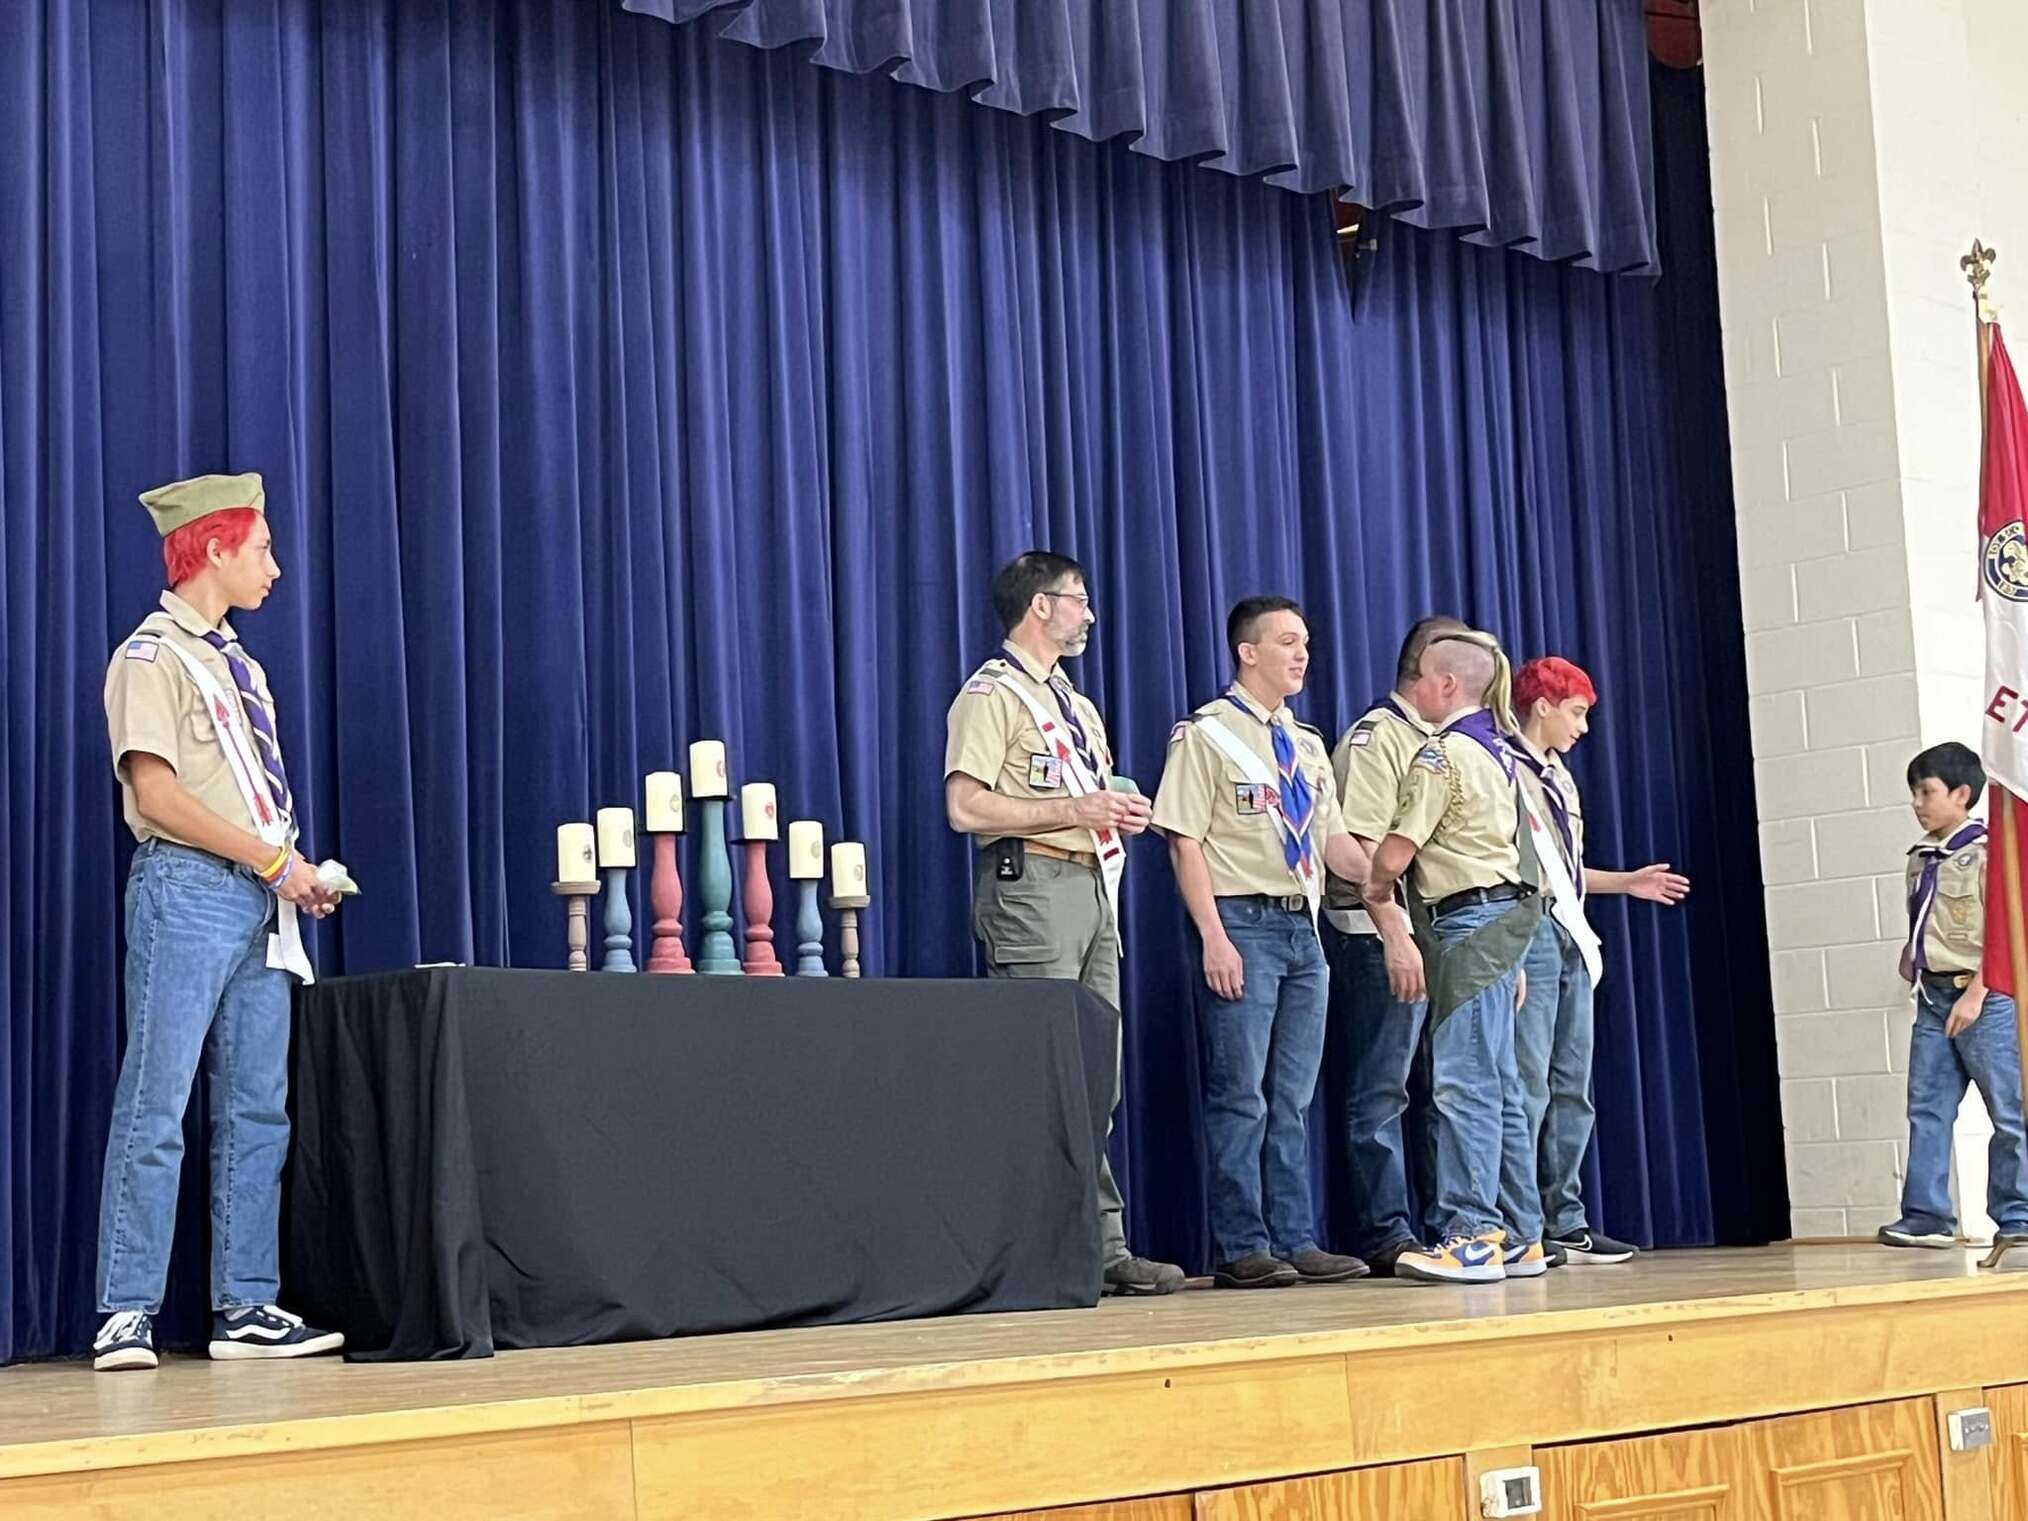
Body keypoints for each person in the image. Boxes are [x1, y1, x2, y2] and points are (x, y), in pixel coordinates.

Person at [93, 472, 344, 1372]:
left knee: (256, 1107)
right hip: (188, 887)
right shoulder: (152, 657)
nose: (274, 566)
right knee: (158, 1098)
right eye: (263, 547)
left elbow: (242, 791)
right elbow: (155, 794)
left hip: (259, 897)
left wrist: (292, 873)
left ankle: (247, 1301)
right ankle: (125, 1308)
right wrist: (270, 858)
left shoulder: (245, 667)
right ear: (213, 548)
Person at [944, 550, 1184, 1296]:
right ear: (1039, 606)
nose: (1089, 613)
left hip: (1090, 885)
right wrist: (1074, 810)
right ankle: (1037, 1249)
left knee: (1093, 1078)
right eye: (1077, 599)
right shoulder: (991, 695)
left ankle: (1100, 1243)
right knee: (1040, 1073)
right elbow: (965, 806)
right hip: (1032, 885)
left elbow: (1088, 793)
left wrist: (1116, 807)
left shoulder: (1075, 704)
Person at [1152, 597, 1374, 1288]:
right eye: (1286, 641)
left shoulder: (1307, 743)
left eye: (1305, 641)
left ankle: (1295, 1234)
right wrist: (1213, 935)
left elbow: (1334, 841)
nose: (1301, 653)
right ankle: (1243, 1241)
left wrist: (1390, 875)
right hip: (1241, 920)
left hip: (1303, 928)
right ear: (1248, 651)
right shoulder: (1207, 734)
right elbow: (1184, 840)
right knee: (1240, 1092)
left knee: (1292, 1094)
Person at [1362, 630, 1544, 1284]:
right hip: (1503, 919)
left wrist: (1375, 887)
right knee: (1501, 1085)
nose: (1417, 690)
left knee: (1464, 1081)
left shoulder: (1441, 755)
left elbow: (1399, 846)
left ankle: (1472, 1233)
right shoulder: (1500, 753)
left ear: (1443, 686)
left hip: (1465, 921)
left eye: (1425, 680)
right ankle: (1523, 1233)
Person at [1507, 656, 1689, 1265]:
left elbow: (1564, 873)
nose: (1584, 728)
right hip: (1525, 934)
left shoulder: (1560, 778)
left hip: (1569, 935)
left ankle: (1566, 1219)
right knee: (1526, 1083)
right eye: (1577, 713)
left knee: (1571, 1086)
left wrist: (1624, 882)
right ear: (1542, 706)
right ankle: (1520, 1222)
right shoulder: (1502, 768)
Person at [1325, 614, 1467, 1275]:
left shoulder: (1451, 745)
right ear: (1435, 677)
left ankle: (1452, 1224)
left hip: (1442, 937)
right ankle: (1386, 1230)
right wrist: (1395, 931)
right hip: (1379, 934)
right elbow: (1355, 847)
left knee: (1444, 1087)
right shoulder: (1377, 740)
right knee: (1381, 1087)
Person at [1878, 742, 2027, 1250]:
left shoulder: (1989, 856)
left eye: (1927, 791)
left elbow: (2007, 932)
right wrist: (1912, 951)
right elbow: (1933, 919)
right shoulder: (1922, 857)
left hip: (1984, 997)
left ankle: (2017, 1214)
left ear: (1962, 794)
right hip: (1934, 993)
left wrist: (1978, 994)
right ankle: (1926, 1214)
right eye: (1914, 792)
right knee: (1927, 1106)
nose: (1917, 803)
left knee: (2009, 1110)